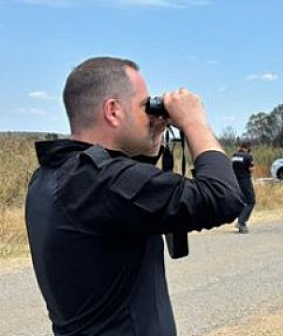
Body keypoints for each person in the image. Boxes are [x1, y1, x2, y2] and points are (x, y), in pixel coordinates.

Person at [25, 56, 244, 336]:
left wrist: (150, 143)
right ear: (113, 110)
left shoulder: (52, 174)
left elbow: (130, 193)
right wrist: (194, 123)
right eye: (144, 106)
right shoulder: (101, 182)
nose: (151, 114)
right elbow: (222, 197)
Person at [231, 141, 255, 233]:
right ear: (248, 148)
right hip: (245, 181)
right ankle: (241, 222)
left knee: (242, 201)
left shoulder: (234, 156)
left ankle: (242, 225)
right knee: (251, 201)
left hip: (235, 181)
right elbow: (251, 169)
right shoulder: (248, 156)